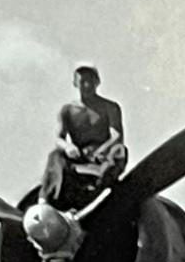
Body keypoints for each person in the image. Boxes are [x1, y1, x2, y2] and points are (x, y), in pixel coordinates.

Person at [40, 64, 128, 208]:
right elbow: (59, 138)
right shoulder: (67, 110)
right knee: (55, 156)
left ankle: (102, 189)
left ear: (97, 83)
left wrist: (102, 150)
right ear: (75, 84)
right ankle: (44, 200)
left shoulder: (110, 107)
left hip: (104, 155)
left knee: (119, 150)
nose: (86, 86)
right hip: (80, 155)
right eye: (82, 82)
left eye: (90, 81)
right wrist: (68, 146)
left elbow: (117, 135)